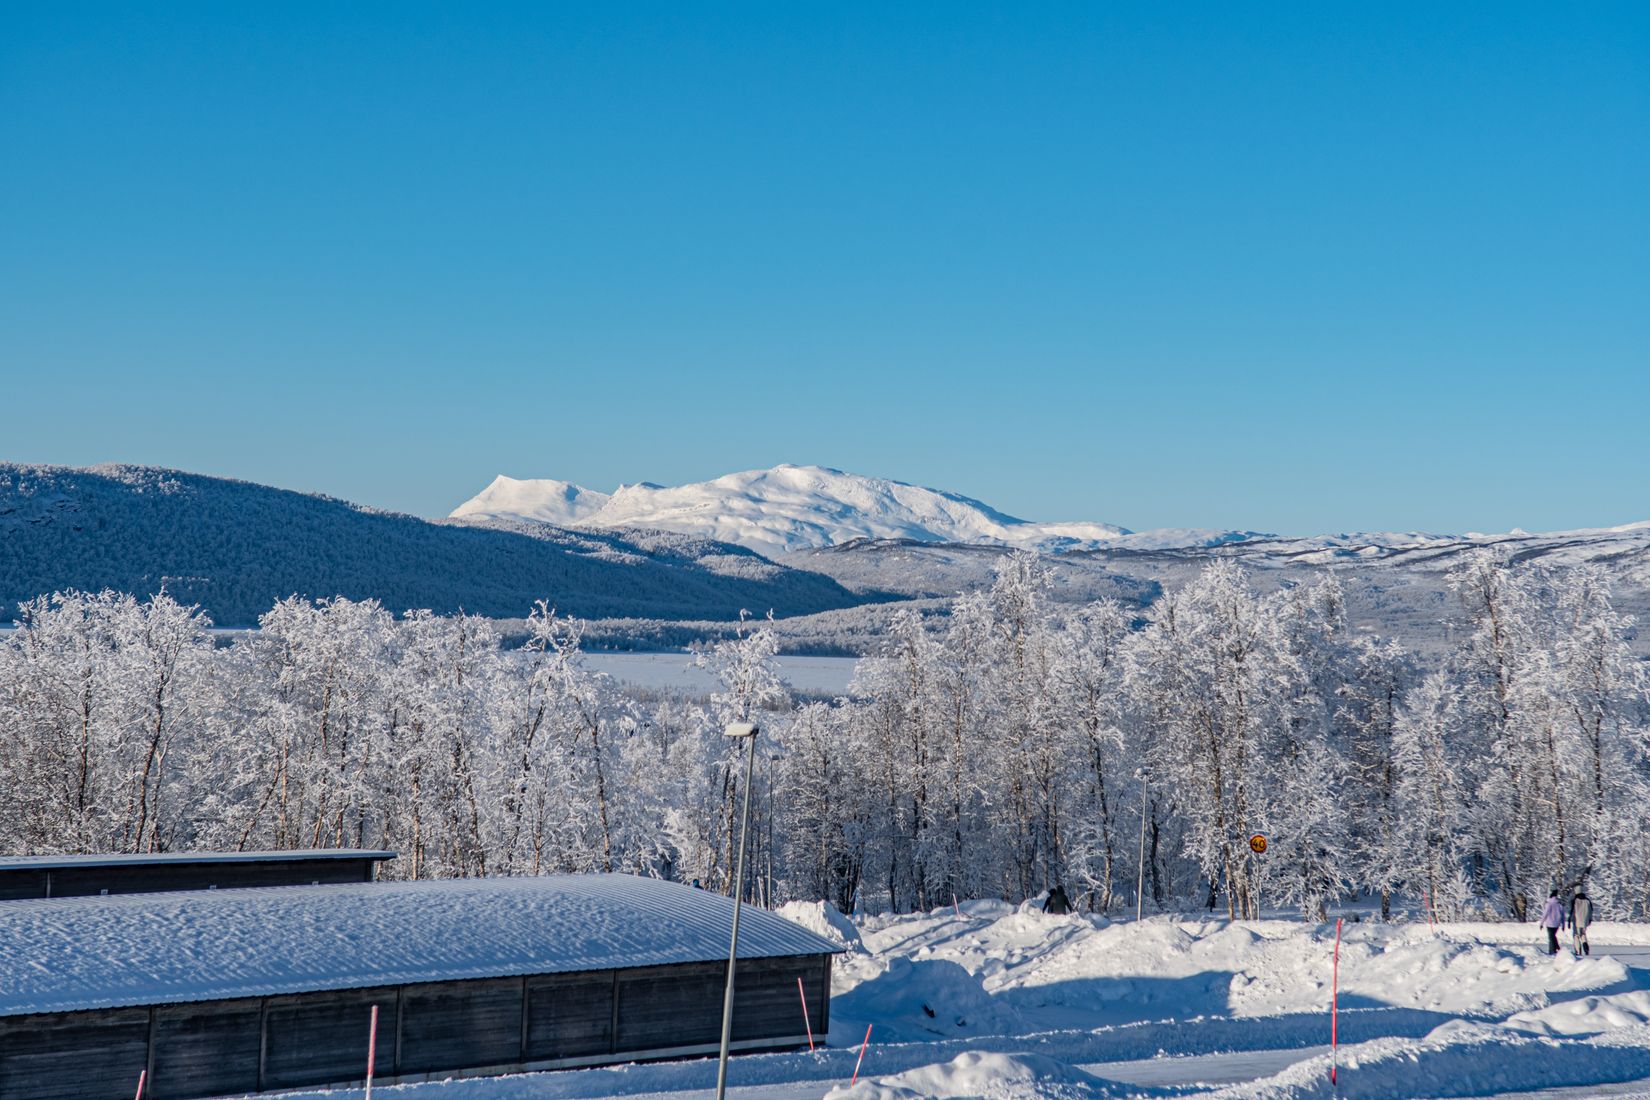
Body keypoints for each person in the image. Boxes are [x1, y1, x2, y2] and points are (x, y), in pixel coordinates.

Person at [1540, 889, 1565, 955]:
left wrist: (1541, 923)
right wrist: (1563, 925)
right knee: (1553, 937)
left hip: (1549, 924)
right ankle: (1555, 949)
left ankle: (1552, 951)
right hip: (1557, 924)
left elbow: (1545, 914)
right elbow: (1563, 915)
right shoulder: (1559, 905)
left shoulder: (1549, 904)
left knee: (1551, 938)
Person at [1571, 890, 1593, 956]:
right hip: (1585, 921)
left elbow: (1572, 911)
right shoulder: (1587, 901)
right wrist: (1589, 919)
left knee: (1576, 935)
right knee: (1583, 934)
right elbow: (1591, 911)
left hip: (1577, 921)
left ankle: (1578, 951)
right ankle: (1585, 946)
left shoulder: (1575, 901)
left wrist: (1570, 920)